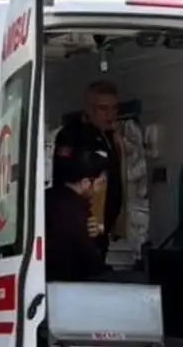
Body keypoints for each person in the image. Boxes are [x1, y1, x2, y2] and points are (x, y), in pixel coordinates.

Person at [52, 80, 126, 258]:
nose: (110, 114)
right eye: (103, 108)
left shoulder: (111, 138)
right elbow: (62, 178)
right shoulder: (72, 135)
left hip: (102, 226)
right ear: (89, 109)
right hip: (78, 225)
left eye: (114, 108)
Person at [46, 149, 110, 282]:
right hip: (69, 281)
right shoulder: (77, 212)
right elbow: (90, 260)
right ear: (86, 183)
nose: (102, 188)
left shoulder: (48, 197)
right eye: (101, 182)